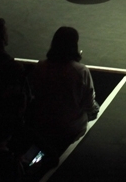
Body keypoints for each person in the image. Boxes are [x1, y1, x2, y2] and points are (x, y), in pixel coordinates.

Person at [27, 26, 99, 161]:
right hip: (70, 127)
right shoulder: (80, 71)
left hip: (44, 123)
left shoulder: (40, 66)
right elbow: (89, 105)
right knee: (96, 107)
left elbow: (35, 94)